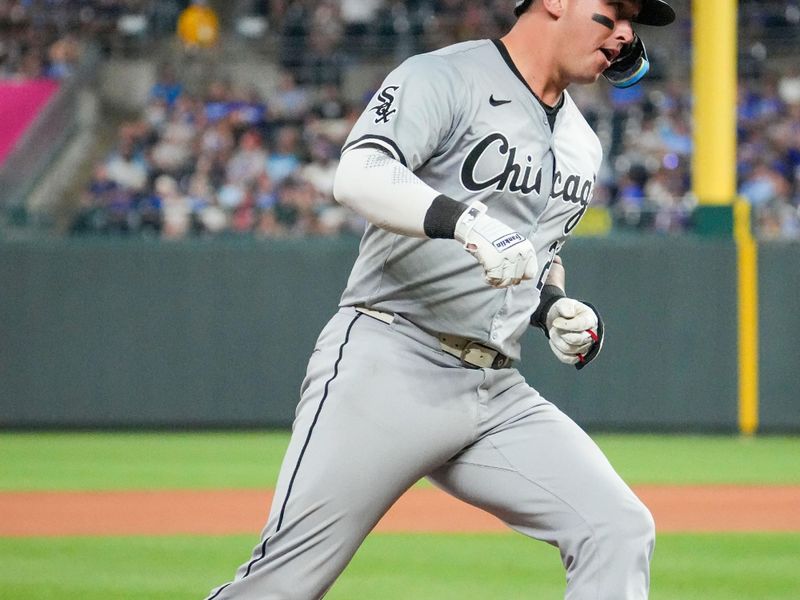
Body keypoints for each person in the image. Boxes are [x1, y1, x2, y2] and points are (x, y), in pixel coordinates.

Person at [206, 1, 675, 598]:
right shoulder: (445, 76)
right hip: (390, 357)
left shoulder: (583, 142)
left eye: (633, 22)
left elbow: (534, 250)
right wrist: (466, 222)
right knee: (286, 581)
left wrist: (552, 306)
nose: (626, 35)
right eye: (614, 12)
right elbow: (359, 172)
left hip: (496, 390)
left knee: (618, 528)